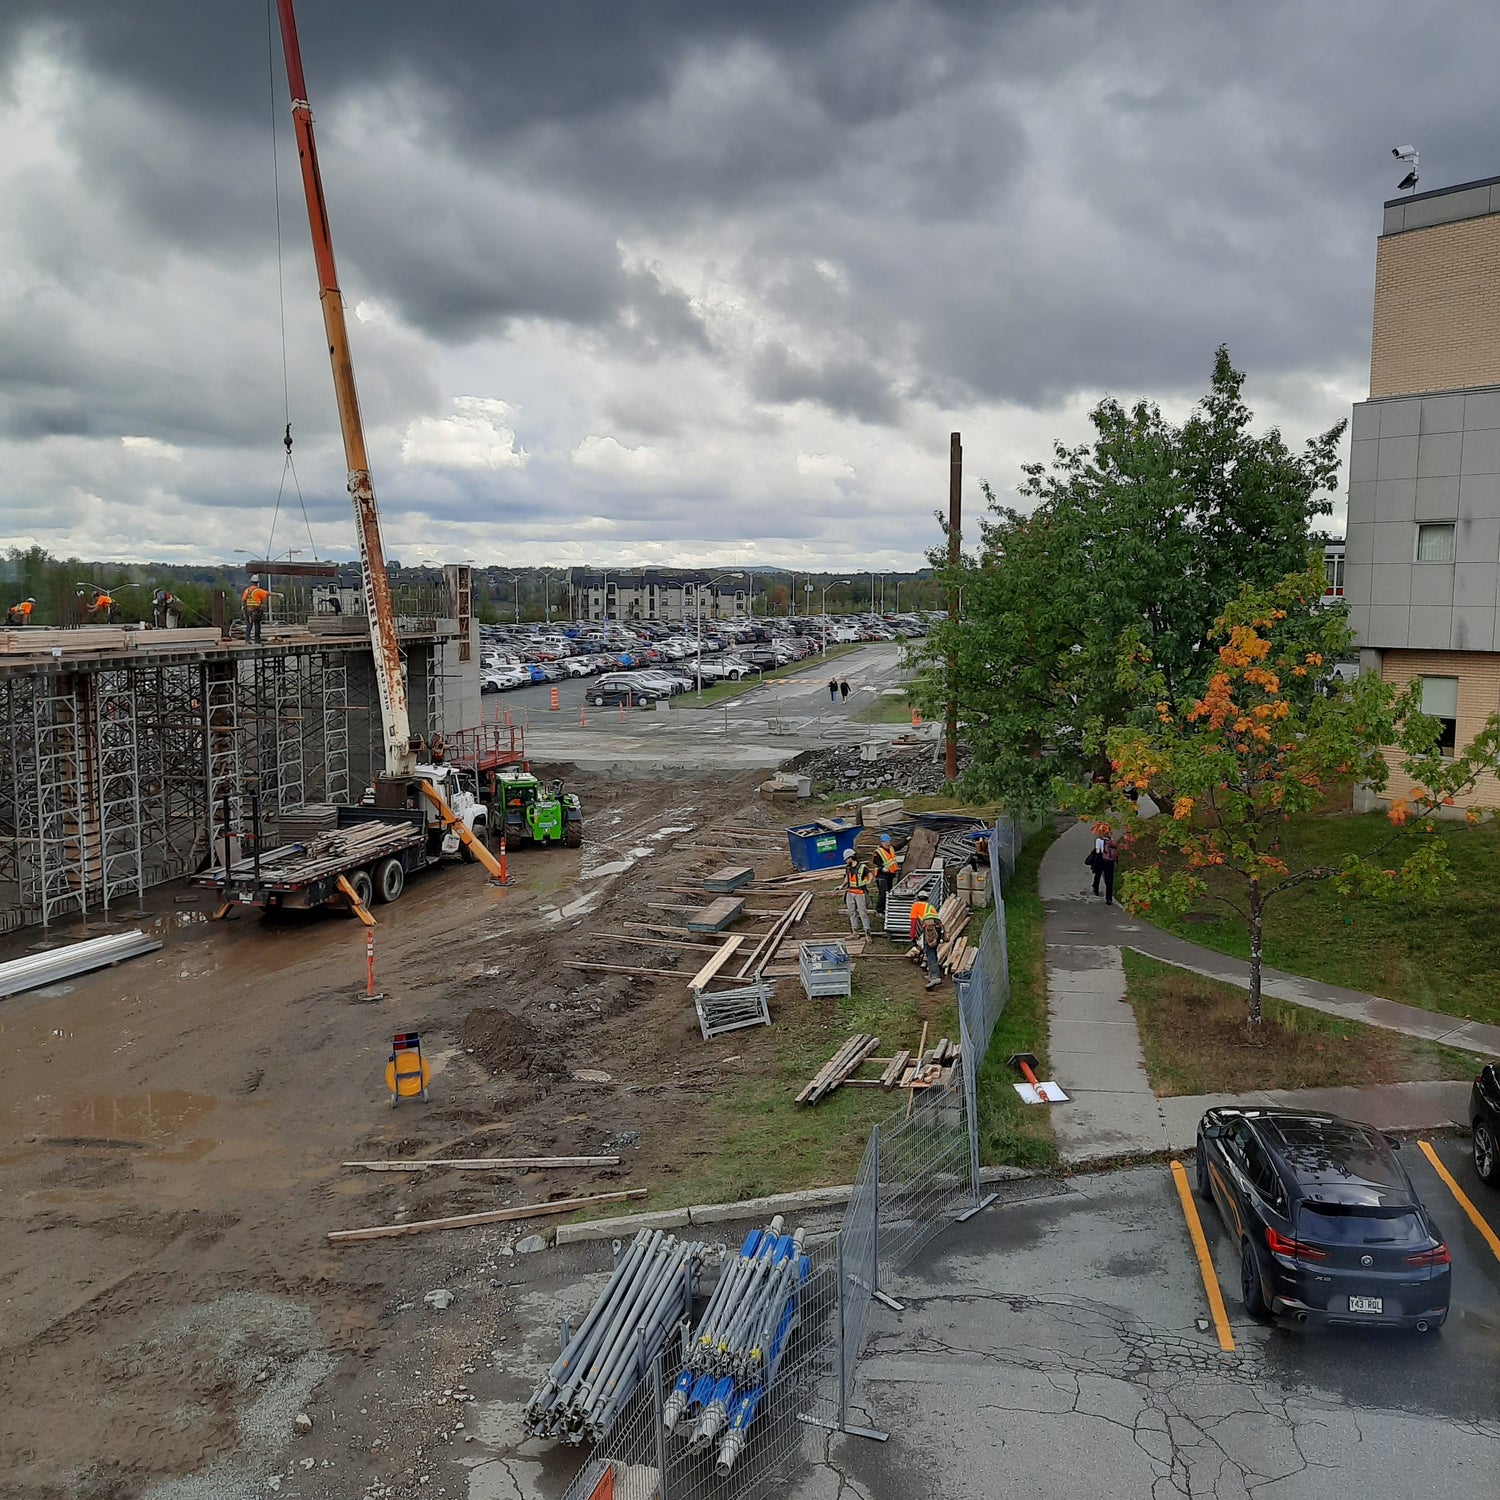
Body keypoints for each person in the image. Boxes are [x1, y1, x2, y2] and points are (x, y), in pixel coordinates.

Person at [909, 898, 944, 989]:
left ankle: (935, 977)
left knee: (929, 952)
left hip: (930, 929)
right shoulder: (930, 906)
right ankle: (932, 974)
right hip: (938, 928)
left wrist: (912, 936)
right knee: (933, 950)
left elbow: (914, 922)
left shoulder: (916, 905)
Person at [840, 850, 874, 938]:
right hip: (850, 892)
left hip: (860, 892)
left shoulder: (862, 867)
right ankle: (855, 932)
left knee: (863, 913)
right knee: (852, 913)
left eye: (846, 859)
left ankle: (867, 932)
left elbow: (870, 875)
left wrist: (869, 881)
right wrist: (841, 886)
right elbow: (847, 878)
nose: (846, 861)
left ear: (851, 858)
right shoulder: (848, 868)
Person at [873, 834, 899, 914]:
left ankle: (886, 907)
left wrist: (906, 840)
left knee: (889, 891)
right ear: (882, 842)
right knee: (883, 893)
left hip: (890, 875)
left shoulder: (891, 848)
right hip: (881, 875)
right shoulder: (878, 852)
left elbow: (898, 847)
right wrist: (882, 867)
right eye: (886, 842)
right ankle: (879, 909)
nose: (888, 844)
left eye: (889, 842)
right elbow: (876, 862)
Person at [241, 576, 271, 644]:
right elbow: (267, 593)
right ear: (257, 583)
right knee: (257, 625)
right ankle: (257, 639)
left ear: (251, 582)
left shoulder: (247, 590)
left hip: (249, 610)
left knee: (249, 624)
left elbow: (243, 600)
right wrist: (277, 594)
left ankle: (247, 639)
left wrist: (244, 607)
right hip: (256, 610)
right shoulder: (258, 590)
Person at [1094, 826, 1119, 904]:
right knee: (1109, 879)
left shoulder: (1098, 840)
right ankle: (1109, 898)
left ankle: (1096, 888)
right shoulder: (1111, 841)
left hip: (1102, 859)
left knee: (1098, 873)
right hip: (1110, 861)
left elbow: (1098, 851)